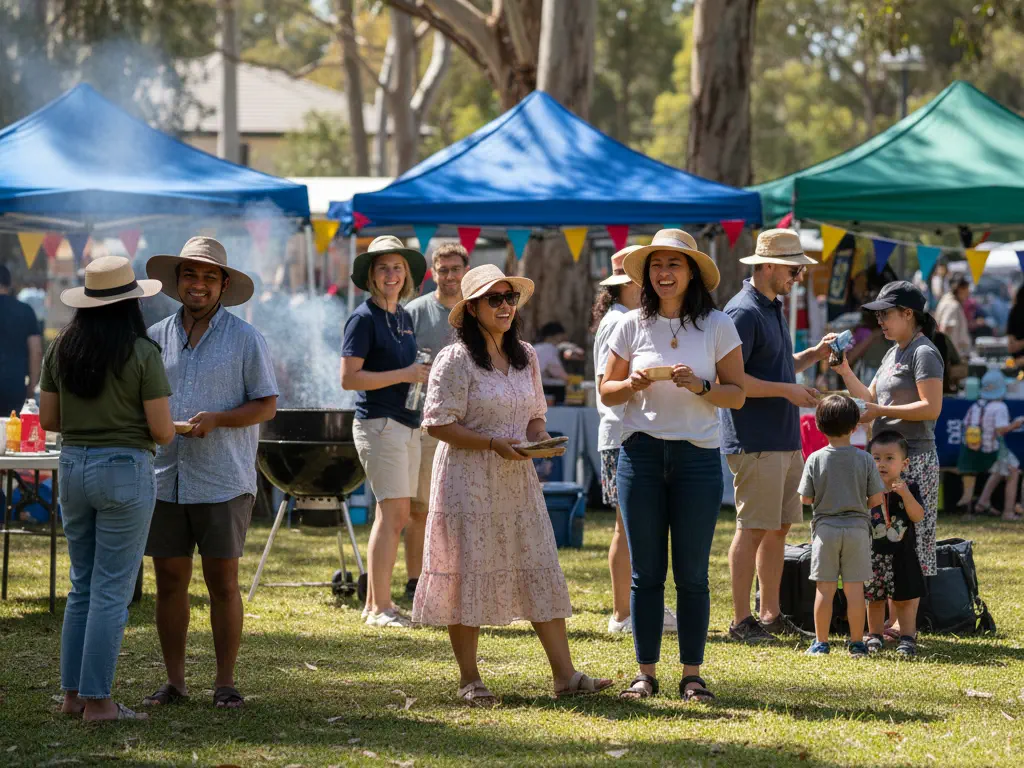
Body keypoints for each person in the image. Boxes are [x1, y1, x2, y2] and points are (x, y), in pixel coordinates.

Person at [413, 264, 612, 704]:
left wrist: (542, 440)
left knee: (538, 563)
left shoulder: (527, 355)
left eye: (510, 298)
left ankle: (565, 676)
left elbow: (535, 415)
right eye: (494, 299)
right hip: (467, 479)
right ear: (471, 308)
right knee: (468, 570)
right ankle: (470, 679)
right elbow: (437, 424)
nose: (505, 306)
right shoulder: (455, 358)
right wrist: (491, 443)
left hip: (518, 478)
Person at [599, 229, 745, 702]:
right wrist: (632, 384)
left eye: (674, 265)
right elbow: (606, 390)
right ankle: (645, 673)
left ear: (692, 273)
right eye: (656, 265)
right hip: (639, 455)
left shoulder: (719, 324)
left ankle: (692, 675)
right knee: (646, 574)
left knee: (693, 574)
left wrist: (700, 386)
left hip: (698, 459)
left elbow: (736, 394)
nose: (664, 273)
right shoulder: (628, 325)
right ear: (645, 274)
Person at [142, 237, 279, 710]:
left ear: (223, 285)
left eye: (208, 277)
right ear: (177, 282)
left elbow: (267, 404)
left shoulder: (246, 338)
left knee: (223, 584)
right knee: (170, 583)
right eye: (190, 275)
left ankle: (225, 683)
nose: (197, 284)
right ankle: (175, 682)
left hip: (224, 477)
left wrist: (218, 419)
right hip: (165, 476)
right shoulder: (154, 336)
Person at [39, 256, 174, 721]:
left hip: (72, 466)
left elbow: (50, 422)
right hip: (124, 468)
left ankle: (72, 697)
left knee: (82, 586)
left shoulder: (60, 349)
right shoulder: (142, 353)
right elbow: (161, 432)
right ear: (132, 304)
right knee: (111, 590)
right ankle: (99, 703)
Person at [720, 229, 832, 644]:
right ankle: (739, 620)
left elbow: (779, 369)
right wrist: (788, 391)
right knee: (752, 528)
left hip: (782, 438)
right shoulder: (743, 312)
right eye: (793, 267)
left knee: (780, 527)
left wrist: (814, 356)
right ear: (766, 265)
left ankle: (770, 613)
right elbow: (731, 381)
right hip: (755, 439)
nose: (799, 275)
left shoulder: (770, 307)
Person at [831, 280, 943, 639]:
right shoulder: (892, 352)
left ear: (908, 314)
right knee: (883, 540)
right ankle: (890, 624)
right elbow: (869, 400)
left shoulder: (923, 353)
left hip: (914, 462)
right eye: (877, 314)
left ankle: (902, 624)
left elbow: (931, 407)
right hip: (882, 460)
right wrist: (845, 371)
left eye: (886, 314)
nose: (879, 320)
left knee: (910, 541)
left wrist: (881, 408)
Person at [341, 235, 429, 628]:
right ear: (371, 276)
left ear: (406, 274)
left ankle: (376, 604)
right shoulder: (363, 318)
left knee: (395, 515)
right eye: (383, 268)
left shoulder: (403, 317)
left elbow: (409, 374)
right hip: (378, 424)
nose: (391, 274)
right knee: (392, 516)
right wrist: (407, 374)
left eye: (397, 267)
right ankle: (380, 607)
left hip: (408, 423)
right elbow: (349, 379)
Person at [591, 245, 676, 635]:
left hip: (621, 430)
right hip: (621, 432)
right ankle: (625, 614)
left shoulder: (620, 316)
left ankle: (633, 611)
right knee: (627, 528)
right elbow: (604, 384)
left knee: (632, 527)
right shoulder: (621, 320)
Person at [798, 395, 885, 658]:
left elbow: (806, 498)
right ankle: (857, 642)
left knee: (824, 589)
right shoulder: (866, 459)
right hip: (858, 530)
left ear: (820, 427)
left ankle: (821, 643)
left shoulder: (815, 459)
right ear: (854, 426)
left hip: (825, 530)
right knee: (855, 589)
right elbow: (876, 499)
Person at [404, 242, 468, 601]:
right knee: (420, 509)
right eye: (442, 269)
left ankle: (456, 580)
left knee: (462, 510)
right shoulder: (414, 312)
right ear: (433, 272)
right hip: (423, 421)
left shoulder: (477, 310)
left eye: (455, 268)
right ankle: (416, 581)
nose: (449, 276)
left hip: (470, 424)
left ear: (465, 270)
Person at [865, 431, 927, 658]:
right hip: (873, 554)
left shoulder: (910, 486)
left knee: (904, 598)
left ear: (904, 463)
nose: (882, 464)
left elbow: (918, 516)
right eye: (876, 458)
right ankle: (874, 634)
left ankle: (908, 637)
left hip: (903, 553)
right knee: (874, 598)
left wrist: (906, 495)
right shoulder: (867, 487)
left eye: (890, 458)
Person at [954, 369, 1024, 519]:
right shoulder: (1000, 407)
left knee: (1000, 469)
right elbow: (1000, 431)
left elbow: (965, 425)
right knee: (1013, 470)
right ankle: (1008, 512)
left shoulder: (976, 405)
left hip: (972, 453)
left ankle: (982, 502)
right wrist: (1016, 424)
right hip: (990, 453)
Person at [0, 264, 42, 416]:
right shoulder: (25, 311)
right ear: (9, 284)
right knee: (12, 435)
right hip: (15, 385)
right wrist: (32, 385)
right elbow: (36, 350)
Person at [934, 273, 972, 358]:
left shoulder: (947, 300)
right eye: (966, 289)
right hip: (951, 357)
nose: (968, 293)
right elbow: (945, 330)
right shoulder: (952, 305)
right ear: (960, 289)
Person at [534, 322, 570, 403]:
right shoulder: (549, 348)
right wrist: (571, 380)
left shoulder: (537, 347)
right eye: (561, 335)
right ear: (555, 336)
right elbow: (557, 372)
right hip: (540, 390)